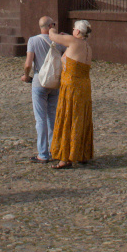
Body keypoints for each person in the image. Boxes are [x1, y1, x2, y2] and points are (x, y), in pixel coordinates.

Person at [46, 19, 93, 170]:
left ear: (77, 31)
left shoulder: (73, 42)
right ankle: (81, 153)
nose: (73, 31)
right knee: (80, 118)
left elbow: (52, 37)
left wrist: (51, 27)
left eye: (74, 29)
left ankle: (65, 157)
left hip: (71, 86)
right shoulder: (86, 46)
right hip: (84, 86)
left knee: (68, 117)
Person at [20, 15, 63, 163]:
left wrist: (26, 75)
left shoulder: (33, 40)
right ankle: (55, 149)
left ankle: (43, 154)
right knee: (52, 117)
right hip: (55, 81)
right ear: (51, 26)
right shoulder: (59, 41)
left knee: (41, 119)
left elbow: (28, 63)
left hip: (39, 80)